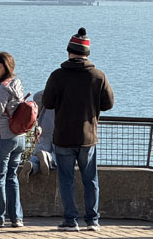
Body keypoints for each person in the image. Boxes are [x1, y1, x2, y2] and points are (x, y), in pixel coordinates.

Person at [42, 28, 115, 232]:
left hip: (63, 136)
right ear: (87, 54)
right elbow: (108, 103)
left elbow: (47, 102)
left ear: (69, 52)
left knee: (66, 180)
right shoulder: (98, 76)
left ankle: (70, 220)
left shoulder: (57, 76)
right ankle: (92, 220)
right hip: (88, 137)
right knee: (90, 179)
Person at [0, 51, 27, 228]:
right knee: (12, 176)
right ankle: (17, 218)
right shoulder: (16, 84)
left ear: (6, 67)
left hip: (2, 135)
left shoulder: (2, 87)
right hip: (18, 137)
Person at [20, 91, 56, 179]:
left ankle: (32, 165)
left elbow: (37, 96)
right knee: (61, 155)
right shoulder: (69, 92)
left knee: (39, 152)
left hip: (44, 125)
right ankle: (48, 156)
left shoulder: (49, 92)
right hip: (60, 127)